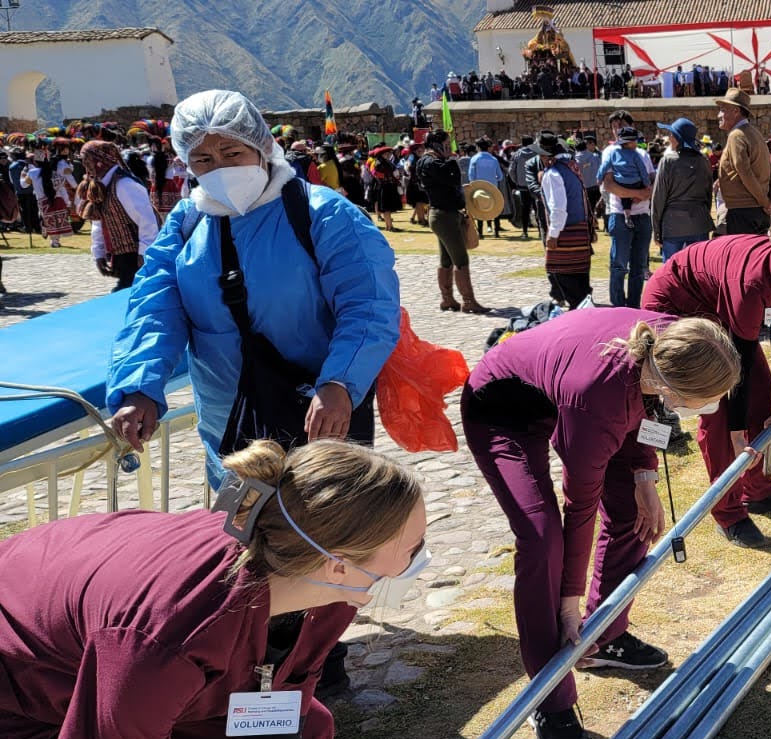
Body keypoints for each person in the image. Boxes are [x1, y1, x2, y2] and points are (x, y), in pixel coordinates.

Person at [0, 439, 428, 739]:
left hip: (121, 663)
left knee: (310, 728)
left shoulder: (325, 587)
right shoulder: (172, 636)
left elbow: (278, 705)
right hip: (20, 688)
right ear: (338, 563)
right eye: (412, 550)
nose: (420, 561)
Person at [462, 309, 740, 739]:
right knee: (541, 540)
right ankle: (549, 700)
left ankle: (605, 639)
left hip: (585, 397)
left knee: (633, 509)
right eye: (704, 401)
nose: (712, 409)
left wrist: (646, 479)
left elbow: (646, 413)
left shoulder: (676, 340)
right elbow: (580, 508)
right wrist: (569, 601)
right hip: (501, 410)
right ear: (672, 388)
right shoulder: (597, 400)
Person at [106, 89, 403, 485]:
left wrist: (339, 383)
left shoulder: (324, 215)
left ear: (262, 146)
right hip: (228, 419)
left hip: (317, 410)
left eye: (233, 154)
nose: (221, 169)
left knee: (328, 527)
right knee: (248, 527)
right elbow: (154, 308)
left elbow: (368, 306)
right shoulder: (186, 223)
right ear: (187, 162)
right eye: (204, 159)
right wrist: (139, 387)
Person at [641, 216, 771, 547]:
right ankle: (728, 511)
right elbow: (740, 365)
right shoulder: (751, 283)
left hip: (715, 305)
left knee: (764, 388)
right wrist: (736, 433)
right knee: (717, 411)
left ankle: (756, 489)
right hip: (674, 304)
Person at [416, 130, 487, 313]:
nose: (449, 148)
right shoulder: (432, 162)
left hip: (445, 213)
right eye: (446, 144)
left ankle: (447, 300)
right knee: (460, 258)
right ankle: (468, 301)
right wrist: (452, 161)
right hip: (444, 215)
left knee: (446, 259)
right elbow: (451, 176)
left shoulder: (429, 162)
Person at [77, 140, 159, 291]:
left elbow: (147, 221)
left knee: (129, 295)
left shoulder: (124, 184)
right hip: (120, 256)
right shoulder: (100, 185)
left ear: (100, 161)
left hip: (134, 255)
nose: (85, 165)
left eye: (87, 160)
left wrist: (144, 254)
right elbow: (98, 222)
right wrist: (99, 252)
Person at [534, 133, 594, 308]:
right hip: (580, 231)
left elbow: (559, 209)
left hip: (566, 234)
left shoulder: (553, 174)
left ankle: (581, 324)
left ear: (545, 156)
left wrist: (552, 235)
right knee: (581, 285)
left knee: (567, 282)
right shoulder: (571, 167)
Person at [599, 127, 655, 307]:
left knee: (638, 266)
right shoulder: (610, 152)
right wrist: (636, 193)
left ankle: (633, 305)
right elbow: (608, 184)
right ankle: (617, 305)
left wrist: (643, 193)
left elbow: (652, 181)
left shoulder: (642, 154)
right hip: (619, 214)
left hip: (643, 214)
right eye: (614, 125)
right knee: (619, 264)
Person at [651, 117, 715, 261]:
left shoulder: (667, 161)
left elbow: (659, 198)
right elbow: (708, 195)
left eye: (672, 134)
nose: (669, 137)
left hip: (673, 225)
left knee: (671, 275)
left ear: (678, 138)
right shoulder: (704, 161)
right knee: (698, 272)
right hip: (699, 222)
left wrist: (656, 230)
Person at [715, 88, 771, 235]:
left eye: (723, 110)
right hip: (757, 212)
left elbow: (744, 172)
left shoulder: (736, 135)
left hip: (743, 212)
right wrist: (768, 202)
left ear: (735, 111)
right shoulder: (756, 134)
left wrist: (765, 202)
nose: (719, 115)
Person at [26, 141, 77, 248]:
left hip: (43, 200)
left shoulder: (32, 172)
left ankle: (53, 239)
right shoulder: (55, 173)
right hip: (56, 198)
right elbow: (64, 184)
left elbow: (24, 185)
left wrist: (23, 174)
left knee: (50, 219)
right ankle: (55, 240)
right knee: (56, 220)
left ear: (35, 161)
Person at [368, 146, 403, 231]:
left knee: (388, 208)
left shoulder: (387, 162)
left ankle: (389, 226)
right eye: (385, 154)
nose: (388, 155)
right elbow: (375, 174)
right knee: (386, 208)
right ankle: (390, 226)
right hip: (384, 187)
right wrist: (389, 176)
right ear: (381, 154)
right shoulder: (378, 163)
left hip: (389, 186)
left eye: (388, 153)